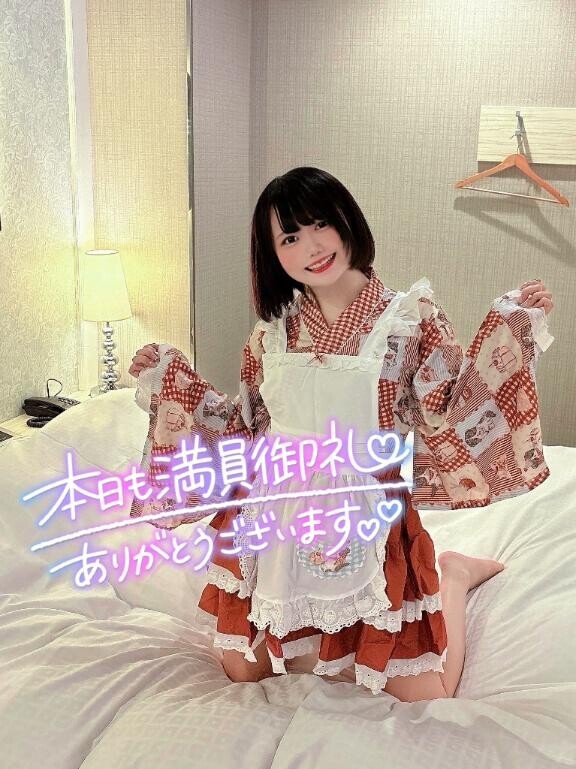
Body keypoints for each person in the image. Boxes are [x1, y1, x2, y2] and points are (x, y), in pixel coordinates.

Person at [128, 166, 554, 702]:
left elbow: (450, 408)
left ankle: (453, 575)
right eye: (289, 237)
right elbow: (244, 427)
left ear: (346, 221)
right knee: (242, 671)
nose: (311, 246)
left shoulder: (410, 319)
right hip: (279, 518)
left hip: (365, 519)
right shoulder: (272, 332)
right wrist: (169, 377)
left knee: (430, 694)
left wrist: (513, 325)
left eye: (319, 224)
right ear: (272, 254)